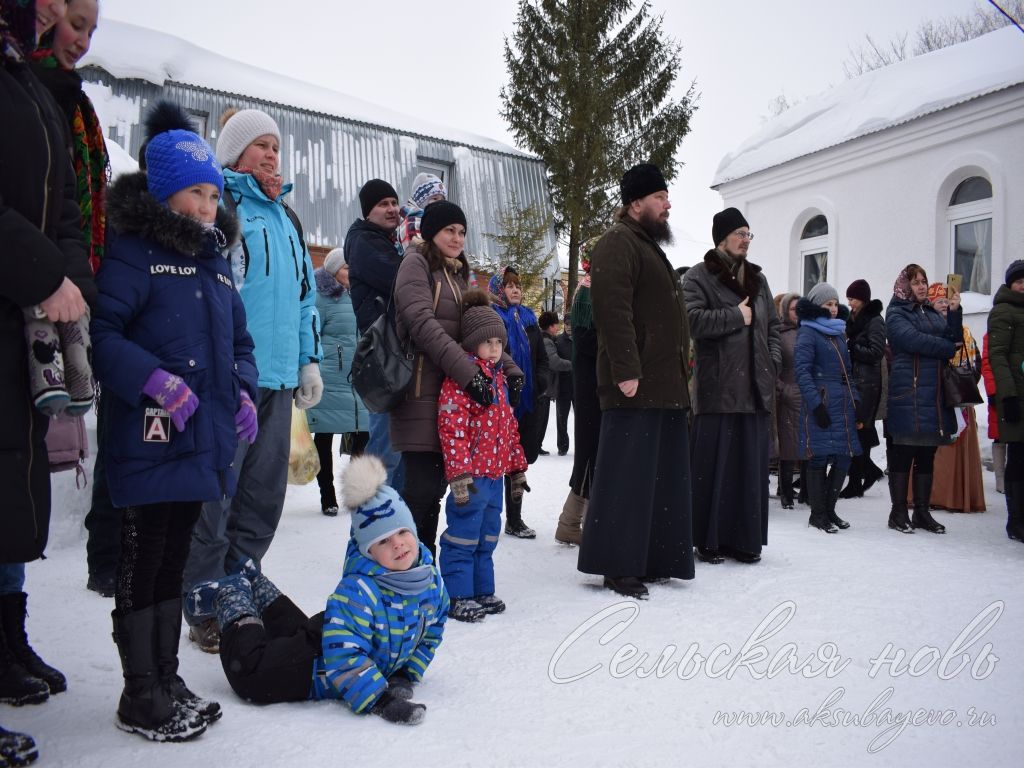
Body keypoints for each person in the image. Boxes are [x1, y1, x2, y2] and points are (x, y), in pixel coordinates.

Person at [91, 101, 259, 741]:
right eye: (196, 192)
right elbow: (102, 336)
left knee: (175, 559)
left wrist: (242, 390)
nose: (209, 204)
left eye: (214, 193)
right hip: (149, 438)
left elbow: (238, 344)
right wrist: (152, 381)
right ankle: (141, 693)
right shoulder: (133, 255)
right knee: (145, 555)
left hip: (200, 441)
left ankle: (166, 676)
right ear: (165, 195)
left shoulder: (216, 262)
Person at [183, 106, 322, 654]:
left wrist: (309, 361)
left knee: (263, 497)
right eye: (260, 145)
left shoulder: (288, 219)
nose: (271, 155)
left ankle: (240, 588)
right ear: (234, 154)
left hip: (281, 379)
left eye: (276, 147)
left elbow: (305, 297)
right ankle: (203, 602)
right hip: (231, 377)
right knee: (217, 494)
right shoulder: (224, 207)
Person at [187, 455, 447, 724]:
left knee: (295, 630)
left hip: (333, 632)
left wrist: (406, 673)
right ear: (368, 552)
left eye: (403, 533)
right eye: (383, 540)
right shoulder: (359, 590)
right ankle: (231, 594)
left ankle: (254, 583)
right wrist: (379, 699)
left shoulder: (431, 583)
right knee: (252, 675)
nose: (398, 544)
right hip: (317, 667)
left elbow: (432, 631)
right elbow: (345, 654)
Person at [1, 2, 92, 763]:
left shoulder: (26, 82)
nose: (61, 20)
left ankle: (7, 640)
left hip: (23, 320)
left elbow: (66, 197)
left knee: (10, 487)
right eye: (57, 6)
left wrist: (65, 274)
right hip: (15, 293)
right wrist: (42, 270)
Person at [28, 0, 118, 597]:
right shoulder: (27, 93)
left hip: (65, 286)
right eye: (73, 23)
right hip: (35, 284)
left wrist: (78, 284)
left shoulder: (73, 106)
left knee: (25, 461)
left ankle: (12, 625)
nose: (81, 40)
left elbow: (75, 207)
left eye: (90, 29)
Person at [577, 163, 694, 599]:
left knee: (658, 479)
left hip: (664, 384)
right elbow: (613, 311)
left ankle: (652, 557)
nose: (668, 204)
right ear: (635, 203)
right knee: (627, 478)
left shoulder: (647, 245)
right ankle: (617, 564)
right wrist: (626, 370)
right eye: (660, 197)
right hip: (635, 383)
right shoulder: (617, 243)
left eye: (666, 196)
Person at [392, 202, 524, 556]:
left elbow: (480, 331)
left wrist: (509, 369)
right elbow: (422, 325)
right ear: (431, 232)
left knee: (437, 490)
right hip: (422, 394)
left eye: (462, 231)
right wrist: (468, 376)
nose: (457, 238)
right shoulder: (415, 264)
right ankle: (407, 573)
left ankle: (426, 575)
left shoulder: (460, 274)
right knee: (419, 492)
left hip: (453, 399)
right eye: (449, 230)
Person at [684, 207, 781, 564]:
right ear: (721, 237)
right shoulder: (698, 277)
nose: (746, 239)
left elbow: (771, 325)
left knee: (748, 470)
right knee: (715, 470)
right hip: (718, 388)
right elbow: (691, 321)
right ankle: (707, 540)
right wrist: (734, 317)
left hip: (755, 388)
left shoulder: (759, 279)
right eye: (740, 233)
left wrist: (773, 362)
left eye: (748, 234)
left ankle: (744, 540)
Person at [437, 291, 528, 621]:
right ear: (471, 343)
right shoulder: (463, 380)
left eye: (498, 342)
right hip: (472, 478)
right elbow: (452, 429)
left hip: (494, 476)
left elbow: (509, 428)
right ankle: (457, 594)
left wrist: (517, 467)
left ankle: (481, 589)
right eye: (486, 342)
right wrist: (459, 474)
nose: (493, 348)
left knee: (488, 535)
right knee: (462, 535)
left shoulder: (500, 380)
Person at [884, 264, 961, 534]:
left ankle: (922, 512)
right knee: (904, 453)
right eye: (915, 281)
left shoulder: (930, 312)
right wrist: (945, 347)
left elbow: (954, 340)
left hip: (932, 394)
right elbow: (912, 340)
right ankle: (898, 512)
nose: (920, 286)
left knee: (927, 454)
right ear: (904, 285)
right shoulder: (895, 313)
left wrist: (954, 313)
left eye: (923, 281)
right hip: (909, 392)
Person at [345, 178, 405, 490]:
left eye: (394, 202)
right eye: (383, 204)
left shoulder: (388, 241)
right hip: (383, 358)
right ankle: (371, 521)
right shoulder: (365, 242)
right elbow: (404, 279)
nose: (392, 209)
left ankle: (397, 526)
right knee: (386, 449)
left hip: (398, 356)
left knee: (399, 447)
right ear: (369, 211)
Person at [306, 248, 369, 516]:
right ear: (333, 270)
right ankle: (327, 496)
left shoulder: (360, 296)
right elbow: (311, 332)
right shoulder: (321, 297)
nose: (351, 273)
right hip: (330, 377)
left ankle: (356, 491)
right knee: (324, 437)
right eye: (346, 268)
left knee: (363, 434)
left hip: (358, 379)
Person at [911, 284, 985, 513]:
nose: (943, 305)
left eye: (946, 301)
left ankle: (954, 497)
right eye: (938, 301)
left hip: (957, 394)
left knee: (954, 444)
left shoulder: (963, 331)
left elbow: (975, 362)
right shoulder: (925, 330)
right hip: (933, 395)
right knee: (934, 450)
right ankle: (931, 495)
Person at [794, 284, 861, 533]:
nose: (833, 309)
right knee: (819, 457)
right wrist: (816, 404)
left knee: (844, 457)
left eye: (835, 304)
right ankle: (817, 514)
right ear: (816, 306)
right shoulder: (808, 333)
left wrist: (856, 401)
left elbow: (848, 373)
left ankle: (830, 510)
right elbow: (802, 372)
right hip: (821, 403)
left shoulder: (839, 333)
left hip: (842, 404)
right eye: (827, 304)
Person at [489, 268, 547, 538]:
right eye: (509, 285)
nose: (515, 290)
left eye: (518, 286)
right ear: (499, 288)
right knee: (493, 461)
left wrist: (542, 383)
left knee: (519, 461)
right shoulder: (491, 318)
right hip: (499, 401)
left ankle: (514, 519)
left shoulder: (528, 319)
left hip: (527, 400)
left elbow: (542, 358)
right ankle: (488, 519)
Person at [556, 238, 601, 545]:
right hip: (591, 388)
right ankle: (571, 523)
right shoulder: (588, 292)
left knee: (593, 453)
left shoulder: (593, 289)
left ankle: (573, 522)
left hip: (593, 385)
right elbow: (586, 343)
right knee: (589, 454)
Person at [839, 279, 887, 499]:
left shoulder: (875, 320)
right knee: (858, 432)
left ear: (863, 299)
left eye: (853, 299)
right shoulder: (853, 318)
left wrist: (853, 348)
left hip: (867, 384)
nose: (850, 303)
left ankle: (858, 479)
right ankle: (865, 474)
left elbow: (876, 351)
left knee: (860, 430)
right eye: (848, 299)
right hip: (854, 381)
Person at [988, 259, 1024, 542]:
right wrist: (1007, 396)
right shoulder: (1003, 312)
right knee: (1018, 457)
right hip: (1016, 396)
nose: (1023, 286)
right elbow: (998, 356)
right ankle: (1015, 519)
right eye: (1019, 281)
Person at [774, 292, 804, 509]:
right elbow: (771, 367)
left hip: (808, 396)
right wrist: (784, 390)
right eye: (794, 309)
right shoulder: (778, 334)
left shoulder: (809, 332)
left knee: (808, 444)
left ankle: (808, 491)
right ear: (785, 311)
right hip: (787, 397)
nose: (797, 313)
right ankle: (785, 491)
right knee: (787, 446)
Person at [537, 310, 571, 456]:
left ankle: (537, 444)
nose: (559, 327)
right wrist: (573, 365)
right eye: (556, 325)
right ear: (551, 326)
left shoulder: (551, 339)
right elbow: (554, 362)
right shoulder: (550, 341)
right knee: (543, 418)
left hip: (551, 385)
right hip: (549, 385)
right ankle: (538, 445)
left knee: (543, 418)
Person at [981, 332, 1006, 494]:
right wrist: (992, 391)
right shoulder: (993, 334)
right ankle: (1001, 478)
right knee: (1000, 435)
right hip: (1000, 390)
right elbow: (987, 364)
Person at [398, 172, 446, 252]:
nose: (439, 203)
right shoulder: (412, 222)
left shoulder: (432, 222)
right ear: (421, 201)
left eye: (442, 200)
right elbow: (421, 254)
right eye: (434, 199)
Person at [554, 314, 574, 455]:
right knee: (562, 418)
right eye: (567, 324)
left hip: (579, 385)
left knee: (582, 420)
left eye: (571, 324)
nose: (569, 326)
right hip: (563, 386)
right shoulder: (558, 341)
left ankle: (581, 446)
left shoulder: (581, 340)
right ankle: (562, 446)